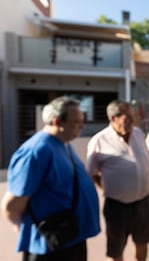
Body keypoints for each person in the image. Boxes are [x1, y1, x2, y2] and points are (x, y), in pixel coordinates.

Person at [1, 96, 100, 261]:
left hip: (71, 239)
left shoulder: (63, 144)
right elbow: (12, 205)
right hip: (50, 246)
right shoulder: (36, 151)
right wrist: (23, 225)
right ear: (57, 122)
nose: (82, 127)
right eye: (76, 122)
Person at [86, 99, 149, 261]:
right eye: (127, 118)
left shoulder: (138, 133)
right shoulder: (99, 141)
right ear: (113, 119)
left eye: (133, 117)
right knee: (116, 250)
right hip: (117, 208)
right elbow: (91, 173)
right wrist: (105, 187)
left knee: (142, 242)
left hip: (144, 202)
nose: (133, 121)